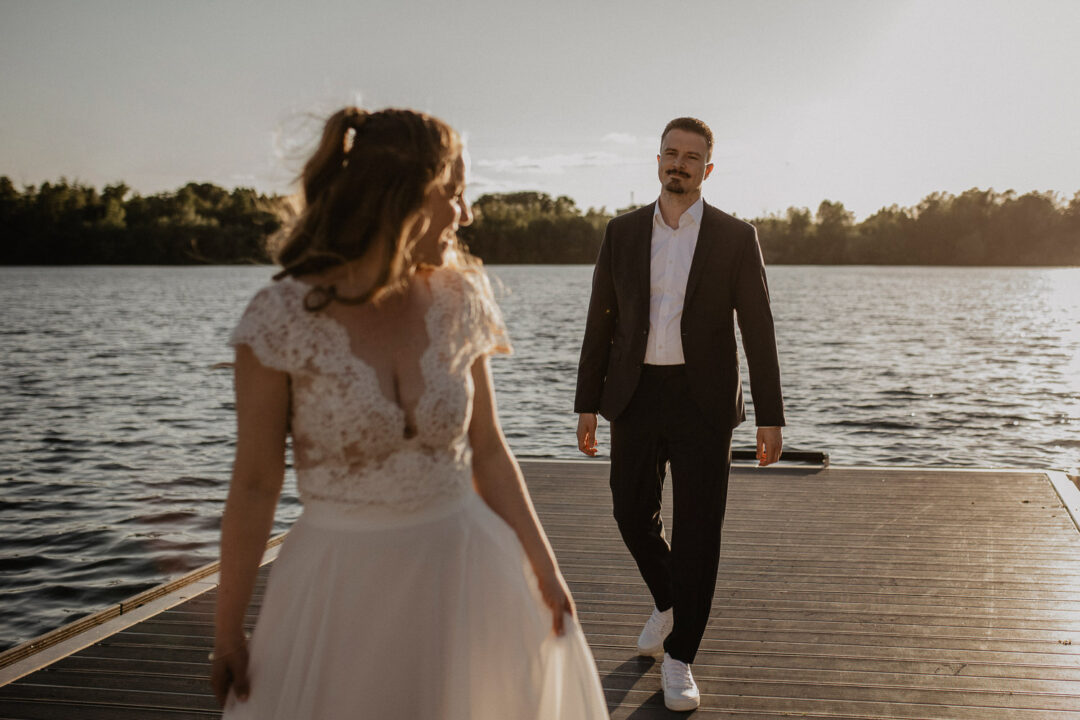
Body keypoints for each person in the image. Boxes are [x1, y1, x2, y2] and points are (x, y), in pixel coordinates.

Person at [211, 107, 608, 719]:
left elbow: (491, 450)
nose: (466, 213)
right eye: (455, 193)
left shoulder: (458, 298)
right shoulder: (280, 319)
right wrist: (228, 626)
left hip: (468, 571)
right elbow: (256, 482)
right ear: (407, 199)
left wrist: (545, 568)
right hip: (338, 587)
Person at [574, 117, 785, 712]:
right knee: (628, 511)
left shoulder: (735, 236)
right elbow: (601, 323)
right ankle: (671, 600)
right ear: (658, 160)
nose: (680, 163)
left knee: (699, 530)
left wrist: (771, 414)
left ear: (707, 169)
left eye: (692, 156)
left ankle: (681, 657)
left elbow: (759, 329)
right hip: (634, 396)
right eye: (671, 152)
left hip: (704, 402)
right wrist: (587, 401)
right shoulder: (621, 233)